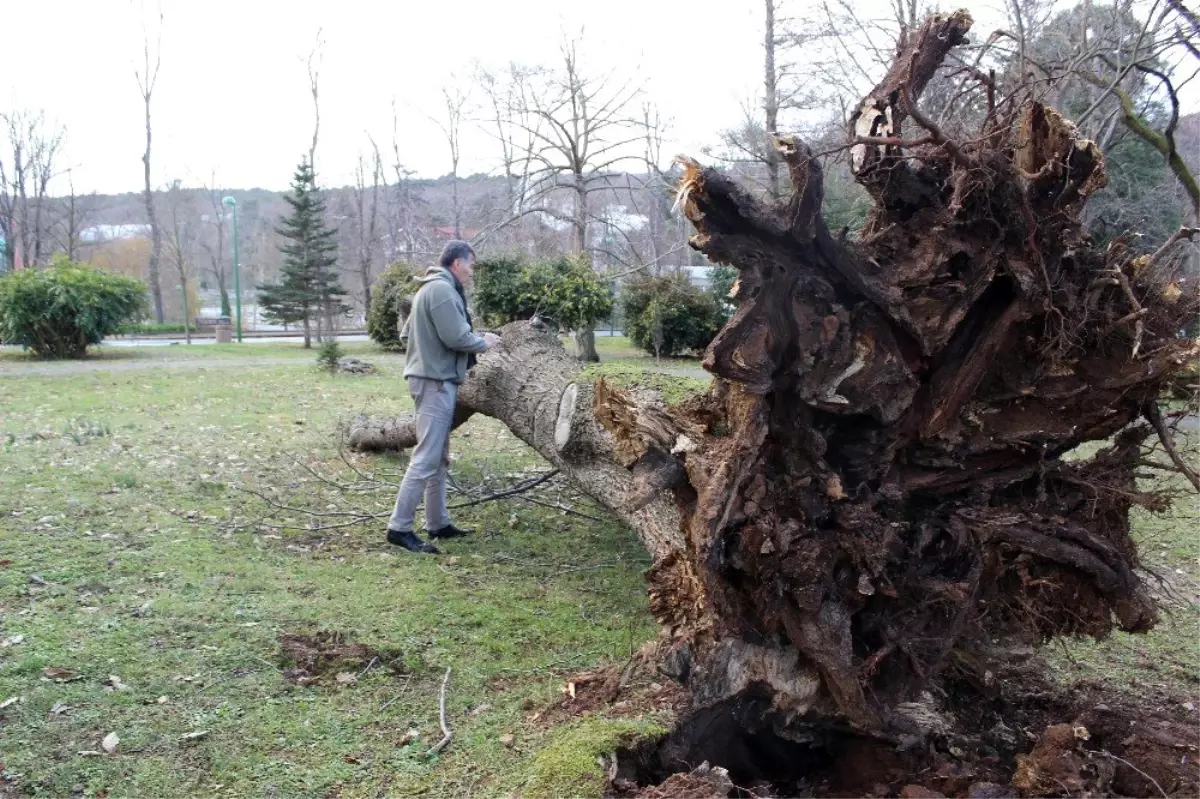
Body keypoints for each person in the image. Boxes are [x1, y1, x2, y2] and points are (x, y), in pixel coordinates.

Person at [386, 240, 499, 554]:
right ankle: (399, 528)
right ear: (456, 263)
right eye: (470, 265)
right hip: (434, 382)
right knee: (425, 458)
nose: (471, 272)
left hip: (432, 379)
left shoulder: (430, 288)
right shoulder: (442, 290)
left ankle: (438, 523)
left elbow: (407, 334)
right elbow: (457, 337)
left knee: (438, 457)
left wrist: (428, 352)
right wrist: (486, 342)